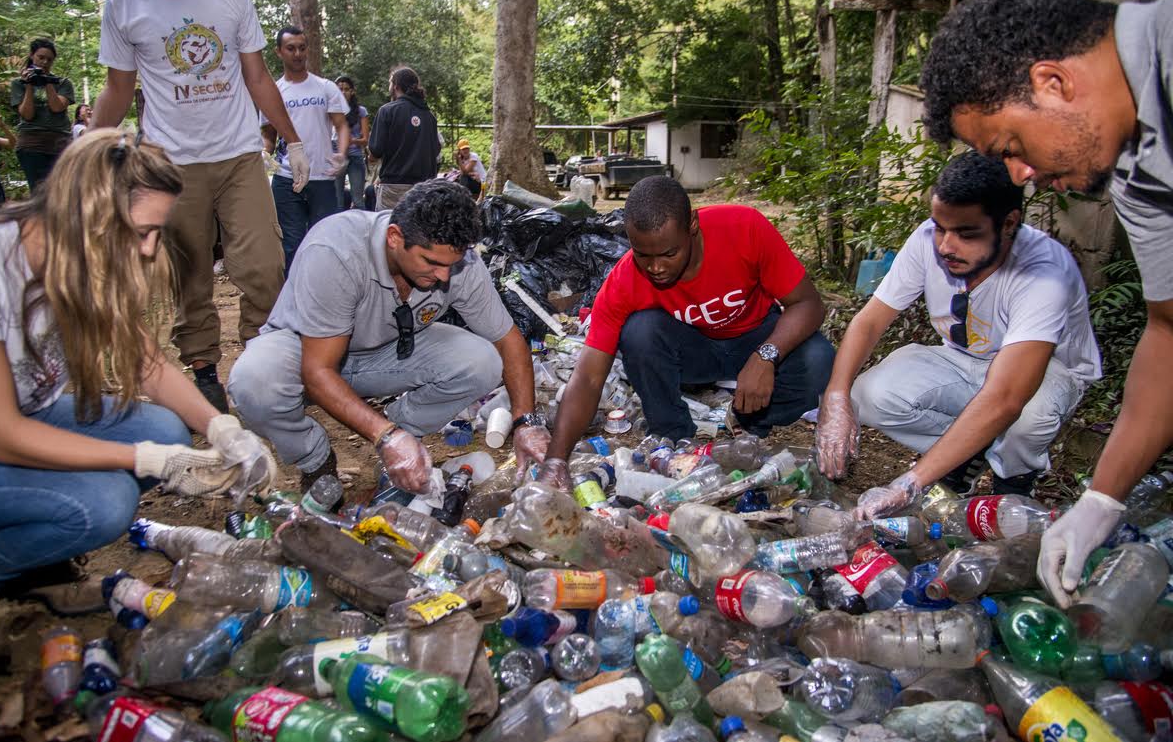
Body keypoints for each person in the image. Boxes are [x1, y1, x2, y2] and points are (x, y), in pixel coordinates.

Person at [917, 0, 1173, 608]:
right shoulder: (1138, 179)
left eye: (1011, 149)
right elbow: (1169, 332)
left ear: (1053, 83)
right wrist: (1102, 500)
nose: (1020, 176)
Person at [0, 130, 275, 609]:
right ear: (89, 214)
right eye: (141, 233)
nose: (150, 250)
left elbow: (145, 362)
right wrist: (144, 460)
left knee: (166, 429)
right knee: (106, 501)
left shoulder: (77, 257)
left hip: (31, 412)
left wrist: (222, 428)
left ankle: (30, 543)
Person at [92, 0, 309, 414]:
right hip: (171, 167)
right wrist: (85, 157)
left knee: (264, 265)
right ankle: (204, 370)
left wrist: (292, 141)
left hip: (239, 157)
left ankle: (261, 360)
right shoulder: (124, 5)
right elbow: (117, 89)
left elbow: (257, 78)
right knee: (187, 275)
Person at [816, 153, 1100, 511]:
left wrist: (910, 482)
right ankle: (965, 454)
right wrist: (836, 397)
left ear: (1009, 223)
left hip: (1044, 372)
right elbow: (870, 321)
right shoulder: (927, 241)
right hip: (961, 357)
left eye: (967, 233)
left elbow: (1007, 396)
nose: (946, 246)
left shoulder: (1044, 272)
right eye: (940, 227)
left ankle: (1011, 482)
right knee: (869, 394)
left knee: (1027, 420)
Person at [228, 179, 550, 492]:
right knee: (254, 384)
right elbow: (318, 371)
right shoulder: (336, 249)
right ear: (395, 237)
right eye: (431, 263)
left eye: (451, 265)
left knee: (483, 362)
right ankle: (316, 458)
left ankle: (403, 436)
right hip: (307, 351)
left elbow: (508, 341)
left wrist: (526, 423)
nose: (443, 276)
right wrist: (383, 435)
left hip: (385, 352)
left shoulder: (458, 264)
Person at [537, 176, 836, 487]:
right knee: (640, 331)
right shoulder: (625, 280)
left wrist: (766, 356)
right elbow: (588, 377)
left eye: (669, 254)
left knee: (819, 359)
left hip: (756, 334)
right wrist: (555, 459)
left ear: (692, 224)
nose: (656, 268)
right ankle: (674, 436)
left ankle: (749, 419)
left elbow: (808, 304)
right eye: (643, 255)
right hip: (696, 351)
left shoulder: (743, 228)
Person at [260, 26, 349, 272]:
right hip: (286, 178)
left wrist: (341, 154)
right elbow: (269, 135)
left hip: (321, 176)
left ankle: (325, 295)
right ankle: (294, 300)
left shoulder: (325, 87)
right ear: (279, 52)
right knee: (292, 243)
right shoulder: (274, 92)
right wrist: (265, 154)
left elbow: (341, 126)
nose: (297, 53)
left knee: (324, 241)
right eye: (291, 48)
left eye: (302, 48)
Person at [367, 66, 440, 211]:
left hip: (394, 186)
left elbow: (375, 150)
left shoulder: (387, 111)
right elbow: (436, 150)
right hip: (423, 188)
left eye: (389, 83)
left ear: (395, 86)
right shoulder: (429, 116)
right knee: (417, 231)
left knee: (388, 229)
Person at [10, 39, 75, 192]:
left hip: (60, 143)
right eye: (41, 57)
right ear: (32, 56)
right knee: (39, 192)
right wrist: (29, 86)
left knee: (62, 191)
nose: (44, 62)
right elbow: (27, 114)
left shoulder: (63, 83)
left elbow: (57, 107)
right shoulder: (18, 83)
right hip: (32, 144)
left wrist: (48, 82)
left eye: (49, 60)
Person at [334, 76, 369, 209]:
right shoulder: (332, 110)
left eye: (346, 89)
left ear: (352, 91)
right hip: (336, 158)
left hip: (355, 157)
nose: (343, 92)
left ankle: (365, 228)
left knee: (358, 200)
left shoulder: (361, 111)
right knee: (337, 201)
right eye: (340, 89)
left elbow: (365, 140)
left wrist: (351, 141)